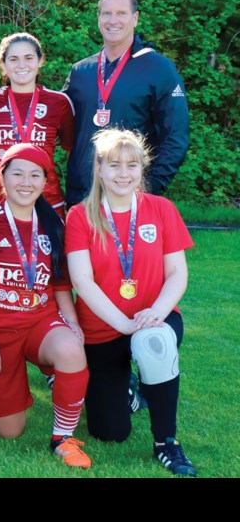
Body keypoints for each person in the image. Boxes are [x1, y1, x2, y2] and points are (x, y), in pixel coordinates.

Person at [65, 128, 197, 476]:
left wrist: (157, 312)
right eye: (114, 165)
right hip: (103, 329)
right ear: (99, 168)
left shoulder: (162, 209)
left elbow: (177, 275)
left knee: (154, 342)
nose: (123, 174)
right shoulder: (80, 216)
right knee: (109, 432)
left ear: (142, 169)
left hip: (155, 319)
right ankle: (130, 390)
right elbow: (82, 281)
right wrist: (122, 324)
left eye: (132, 165)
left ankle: (166, 442)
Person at [0, 143, 92, 469]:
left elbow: (60, 284)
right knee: (8, 431)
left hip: (40, 321)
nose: (26, 182)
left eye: (35, 175)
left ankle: (62, 438)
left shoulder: (54, 224)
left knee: (70, 349)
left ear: (45, 182)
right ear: (2, 177)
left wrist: (73, 324)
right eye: (18, 173)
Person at [63, 0, 189, 206]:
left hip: (130, 196)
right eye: (106, 13)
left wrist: (149, 186)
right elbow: (56, 125)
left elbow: (175, 137)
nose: (113, 20)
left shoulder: (159, 68)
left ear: (135, 18)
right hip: (81, 197)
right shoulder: (81, 71)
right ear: (98, 18)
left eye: (121, 13)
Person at [0, 32, 75, 213]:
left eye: (28, 58)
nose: (21, 65)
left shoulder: (58, 103)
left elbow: (70, 148)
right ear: (4, 64)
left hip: (47, 197)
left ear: (40, 60)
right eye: (13, 59)